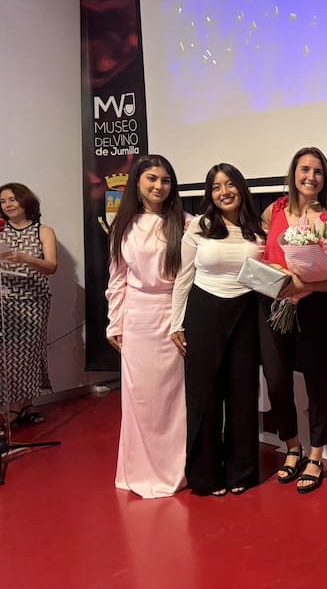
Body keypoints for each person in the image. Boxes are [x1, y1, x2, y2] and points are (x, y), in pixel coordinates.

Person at [170, 163, 265, 497]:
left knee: (243, 393)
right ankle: (205, 475)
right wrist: (176, 322)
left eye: (229, 184)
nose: (224, 192)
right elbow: (183, 276)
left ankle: (242, 472)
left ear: (241, 187)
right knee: (205, 396)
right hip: (204, 312)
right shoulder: (199, 226)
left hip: (246, 313)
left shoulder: (257, 229)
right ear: (209, 195)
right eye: (216, 187)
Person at [259, 147, 327, 494]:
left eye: (317, 171)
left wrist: (304, 285)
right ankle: (292, 446)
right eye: (304, 169)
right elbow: (263, 254)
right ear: (293, 173)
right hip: (274, 306)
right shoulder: (274, 210)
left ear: (325, 178)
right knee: (276, 380)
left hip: (315, 309)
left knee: (316, 381)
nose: (310, 177)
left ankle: (315, 454)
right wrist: (275, 274)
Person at [106, 154, 187, 498]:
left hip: (172, 317)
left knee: (172, 398)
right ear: (137, 182)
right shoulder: (123, 225)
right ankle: (138, 469)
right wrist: (115, 322)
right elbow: (117, 278)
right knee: (139, 398)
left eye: (165, 180)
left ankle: (175, 468)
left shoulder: (185, 222)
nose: (159, 186)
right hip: (137, 319)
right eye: (151, 179)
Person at [0, 183, 57, 425]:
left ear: (25, 201)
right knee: (7, 356)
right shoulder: (1, 231)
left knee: (29, 355)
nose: (8, 205)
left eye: (12, 199)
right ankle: (19, 405)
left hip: (33, 302)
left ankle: (23, 405)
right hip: (5, 302)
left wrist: (24, 258)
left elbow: (51, 267)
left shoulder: (43, 231)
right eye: (3, 201)